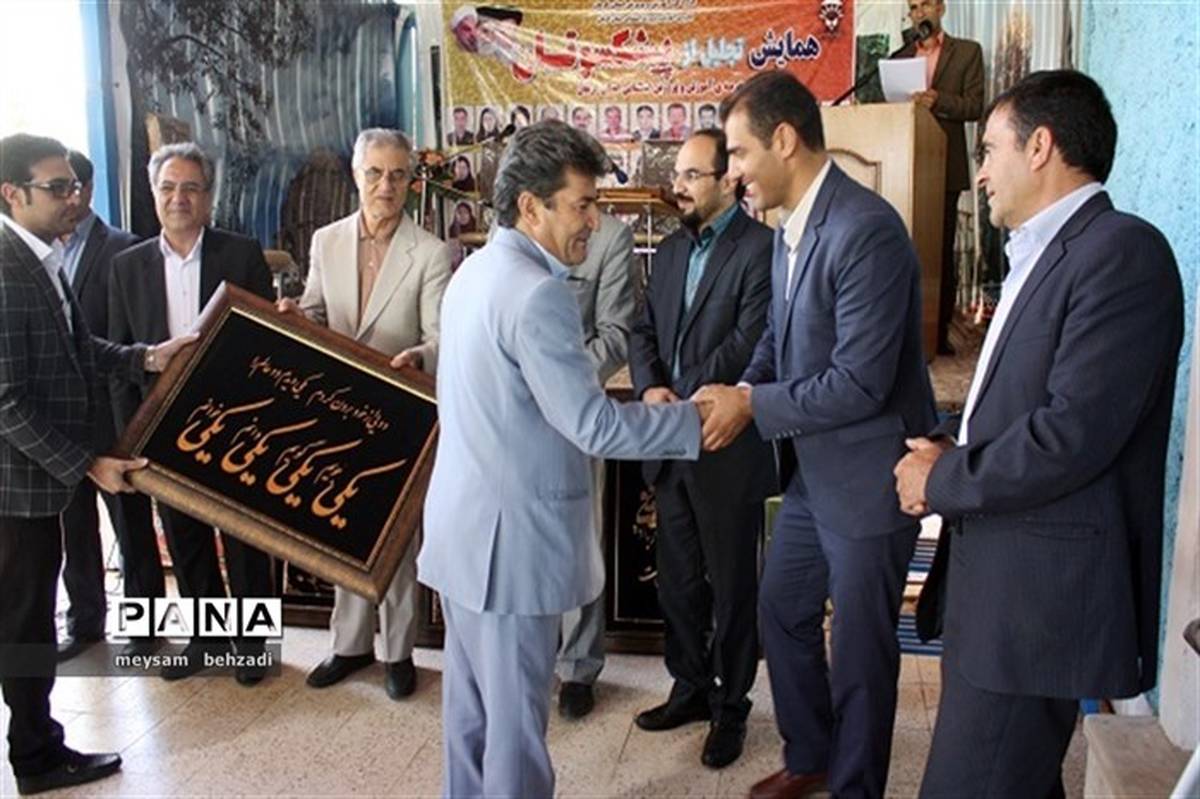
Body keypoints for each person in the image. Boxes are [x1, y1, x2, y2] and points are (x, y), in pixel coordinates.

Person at [893, 70, 1185, 799]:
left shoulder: (1122, 252)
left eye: (989, 150)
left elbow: (1070, 435)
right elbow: (1016, 406)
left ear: (1041, 146)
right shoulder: (1043, 253)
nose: (980, 173)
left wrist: (941, 479)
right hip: (1001, 597)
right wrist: (950, 443)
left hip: (1036, 611)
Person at [418, 120, 707, 799]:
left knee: (470, 724)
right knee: (516, 738)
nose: (594, 221)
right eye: (583, 204)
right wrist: (694, 420)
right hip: (509, 554)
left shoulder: (472, 272)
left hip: (463, 539)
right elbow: (592, 424)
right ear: (531, 206)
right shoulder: (537, 292)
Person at [696, 71, 936, 799]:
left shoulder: (865, 230)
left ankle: (855, 786)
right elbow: (777, 337)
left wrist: (751, 406)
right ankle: (812, 757)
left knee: (860, 652)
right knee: (782, 609)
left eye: (739, 153)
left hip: (869, 477)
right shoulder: (788, 228)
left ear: (784, 139)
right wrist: (742, 389)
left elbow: (861, 382)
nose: (732, 172)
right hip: (812, 474)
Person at [0, 132, 190, 795]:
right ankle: (35, 757)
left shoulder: (42, 256)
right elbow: (6, 400)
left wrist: (148, 356)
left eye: (75, 186)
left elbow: (81, 348)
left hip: (40, 479)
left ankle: (39, 742)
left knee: (28, 616)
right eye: (56, 188)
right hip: (15, 487)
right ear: (12, 194)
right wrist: (87, 463)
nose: (73, 198)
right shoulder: (4, 269)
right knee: (24, 622)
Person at [279, 128, 451, 701]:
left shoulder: (430, 251)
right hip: (334, 411)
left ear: (411, 182)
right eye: (375, 173)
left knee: (395, 540)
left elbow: (439, 337)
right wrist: (295, 317)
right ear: (357, 176)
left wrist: (419, 356)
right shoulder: (326, 241)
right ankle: (350, 645)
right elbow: (316, 312)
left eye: (397, 174)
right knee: (341, 529)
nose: (385, 185)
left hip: (400, 413)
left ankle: (399, 652)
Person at [628, 129, 774, 769]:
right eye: (678, 175)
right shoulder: (669, 251)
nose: (679, 186)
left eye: (691, 175)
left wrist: (685, 400)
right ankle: (689, 687)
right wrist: (650, 387)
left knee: (733, 586)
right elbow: (641, 328)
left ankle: (731, 706)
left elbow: (749, 342)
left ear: (728, 181)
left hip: (724, 443)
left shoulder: (762, 250)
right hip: (670, 444)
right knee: (679, 581)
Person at [108, 142, 276, 685]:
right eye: (168, 187)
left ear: (208, 196)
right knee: (185, 537)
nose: (178, 198)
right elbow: (118, 355)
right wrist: (128, 440)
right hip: (163, 426)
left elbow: (267, 347)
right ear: (153, 193)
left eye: (190, 188)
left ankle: (251, 645)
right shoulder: (126, 266)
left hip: (237, 423)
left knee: (244, 537)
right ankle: (208, 639)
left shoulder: (241, 255)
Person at [54, 150, 141, 662]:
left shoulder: (123, 249)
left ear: (86, 190)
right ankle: (85, 623)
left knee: (130, 526)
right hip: (63, 422)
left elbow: (122, 335)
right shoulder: (41, 253)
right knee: (75, 529)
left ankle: (143, 625)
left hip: (111, 415)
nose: (65, 198)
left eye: (70, 187)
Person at [553, 211, 637, 719]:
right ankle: (530, 656)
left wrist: (552, 375)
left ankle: (578, 667)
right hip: (514, 413)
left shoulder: (611, 237)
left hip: (579, 408)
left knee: (581, 539)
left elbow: (616, 333)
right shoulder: (512, 225)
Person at [906, 0, 983, 355]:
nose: (919, 13)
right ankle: (906, 332)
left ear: (941, 8)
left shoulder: (967, 52)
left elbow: (975, 106)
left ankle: (937, 336)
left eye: (925, 4)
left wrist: (938, 101)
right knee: (906, 247)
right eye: (912, 8)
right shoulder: (900, 56)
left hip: (945, 167)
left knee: (940, 251)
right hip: (905, 165)